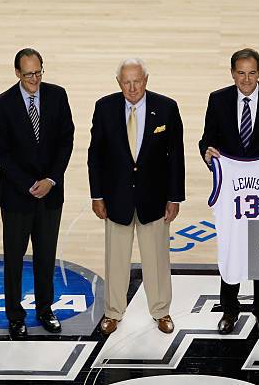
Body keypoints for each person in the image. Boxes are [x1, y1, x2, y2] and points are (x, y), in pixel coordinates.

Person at [199, 48, 259, 335]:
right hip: (232, 190)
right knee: (231, 247)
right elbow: (206, 140)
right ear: (232, 73)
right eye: (240, 73)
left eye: (251, 73)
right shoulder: (218, 100)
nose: (246, 79)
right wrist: (208, 153)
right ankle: (229, 311)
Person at [88, 58, 185, 335]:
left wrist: (174, 197)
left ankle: (161, 311)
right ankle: (113, 312)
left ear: (146, 79)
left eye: (137, 81)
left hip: (154, 200)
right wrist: (97, 195)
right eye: (126, 82)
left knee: (157, 259)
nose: (132, 87)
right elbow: (95, 155)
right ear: (119, 83)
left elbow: (175, 157)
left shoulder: (166, 108)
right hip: (116, 198)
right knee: (115, 259)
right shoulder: (104, 107)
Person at [0, 48, 75, 339]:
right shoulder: (1, 105)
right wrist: (29, 183)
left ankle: (45, 309)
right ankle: (15, 316)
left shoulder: (58, 95)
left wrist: (51, 179)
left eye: (39, 72)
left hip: (50, 195)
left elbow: (66, 140)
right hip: (17, 196)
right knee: (14, 259)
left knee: (45, 256)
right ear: (17, 73)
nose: (35, 79)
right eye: (29, 74)